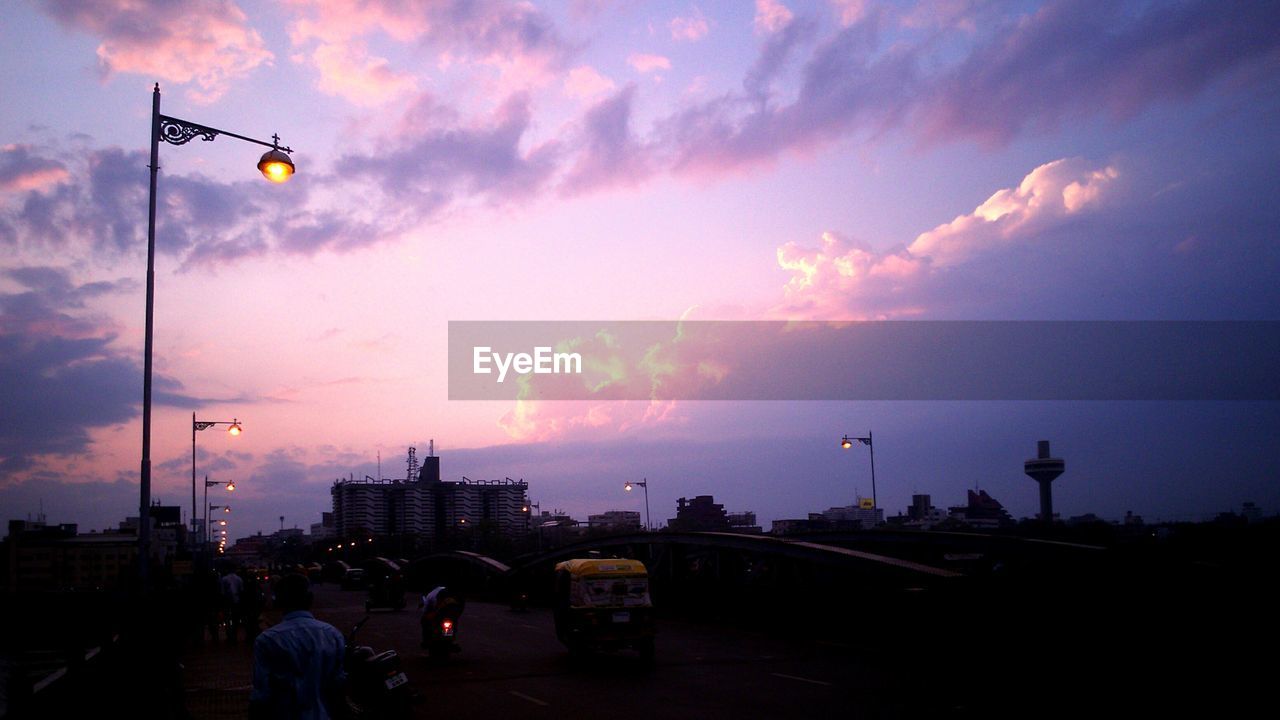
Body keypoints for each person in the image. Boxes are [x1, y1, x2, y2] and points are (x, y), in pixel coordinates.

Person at [249, 573, 346, 720]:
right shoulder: (332, 634)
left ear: (280, 601)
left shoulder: (267, 639)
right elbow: (338, 685)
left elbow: (262, 693)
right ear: (310, 599)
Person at [221, 568, 245, 642]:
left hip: (227, 601)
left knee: (227, 619)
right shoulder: (239, 579)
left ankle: (229, 636)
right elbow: (241, 591)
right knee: (235, 619)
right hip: (236, 601)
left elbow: (222, 592)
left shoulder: (224, 579)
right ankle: (234, 635)